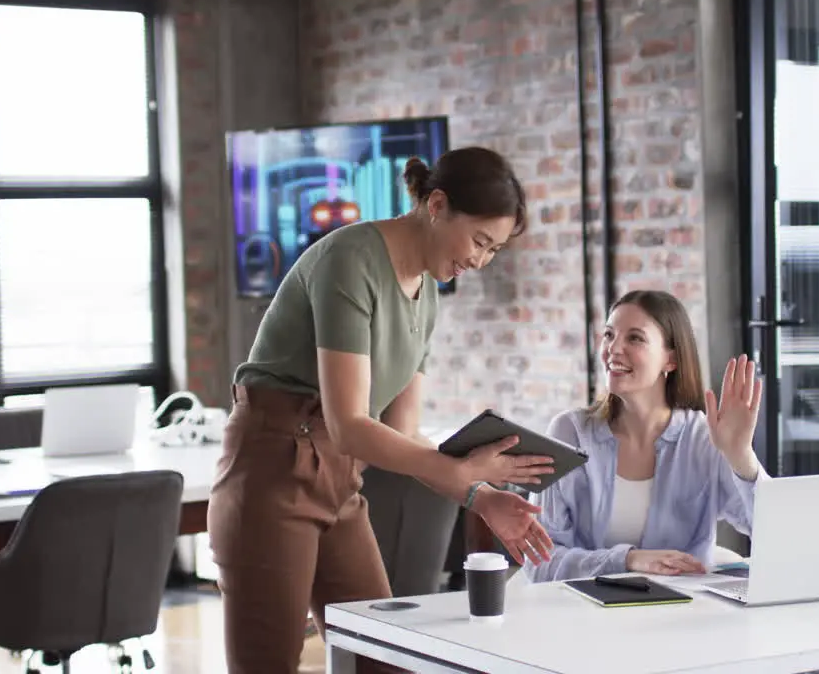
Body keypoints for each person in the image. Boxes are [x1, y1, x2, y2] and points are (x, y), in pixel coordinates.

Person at [207, 147, 557, 673]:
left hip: (340, 479)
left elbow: (401, 435)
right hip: (272, 467)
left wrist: (481, 496)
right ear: (436, 205)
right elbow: (351, 424)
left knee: (383, 659)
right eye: (480, 241)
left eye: (494, 250)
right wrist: (461, 473)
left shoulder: (428, 296)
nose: (481, 261)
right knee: (269, 665)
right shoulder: (352, 260)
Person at [522, 289, 770, 583]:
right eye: (609, 335)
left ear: (671, 360)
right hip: (586, 616)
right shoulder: (569, 433)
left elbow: (775, 532)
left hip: (683, 616)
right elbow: (539, 561)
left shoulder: (704, 438)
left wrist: (741, 456)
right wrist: (627, 560)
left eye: (635, 338)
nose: (614, 348)